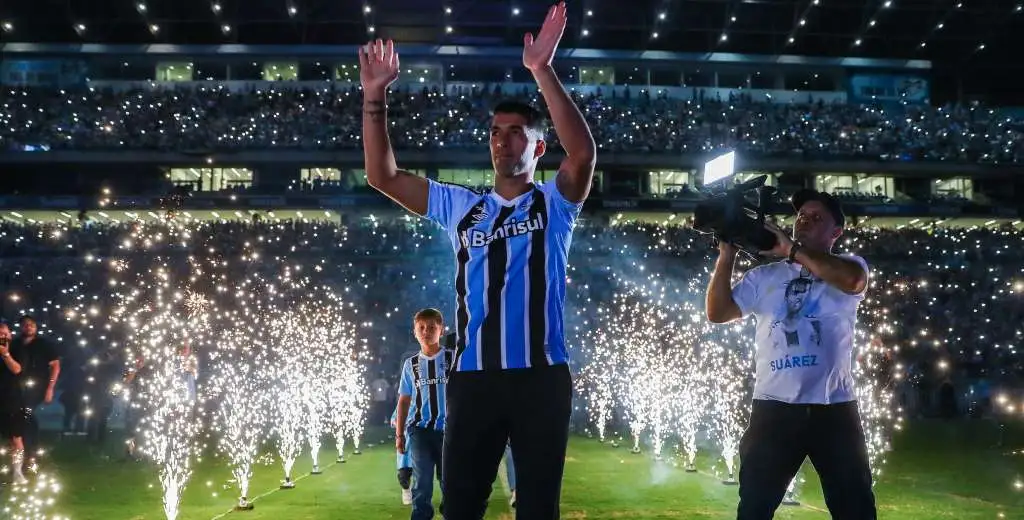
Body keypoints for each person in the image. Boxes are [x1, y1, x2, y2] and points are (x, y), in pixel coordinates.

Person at [359, 3, 595, 518]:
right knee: (461, 505)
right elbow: (383, 176)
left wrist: (542, 69)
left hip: (541, 376)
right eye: (495, 131)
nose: (502, 140)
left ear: (538, 145)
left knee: (537, 507)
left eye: (516, 132)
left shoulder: (553, 203)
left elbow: (582, 156)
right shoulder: (462, 207)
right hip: (474, 377)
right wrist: (374, 95)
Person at [705, 188, 877, 519]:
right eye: (801, 216)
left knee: (855, 509)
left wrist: (792, 250)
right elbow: (718, 312)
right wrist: (726, 255)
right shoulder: (764, 276)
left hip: (833, 408)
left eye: (817, 218)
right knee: (754, 507)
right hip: (774, 409)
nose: (805, 222)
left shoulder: (851, 266)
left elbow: (853, 281)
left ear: (836, 232)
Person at [395, 309, 453, 520]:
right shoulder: (411, 365)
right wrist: (399, 435)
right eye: (421, 327)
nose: (426, 331)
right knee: (422, 483)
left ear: (441, 330)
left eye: (431, 327)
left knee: (450, 483)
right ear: (415, 332)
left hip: (450, 432)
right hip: (420, 431)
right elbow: (404, 400)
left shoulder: (452, 358)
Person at [12, 315, 60, 461]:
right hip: (16, 387)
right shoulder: (15, 344)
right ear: (21, 327)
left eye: (32, 324)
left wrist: (50, 388)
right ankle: (26, 450)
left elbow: (55, 366)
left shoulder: (44, 344)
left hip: (37, 387)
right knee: (22, 416)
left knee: (26, 414)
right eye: (26, 324)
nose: (29, 327)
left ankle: (31, 451)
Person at [0, 322, 29, 484]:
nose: (2, 336)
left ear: (10, 335)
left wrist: (5, 354)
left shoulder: (18, 349)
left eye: (4, 333)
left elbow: (17, 369)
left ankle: (17, 472)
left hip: (12, 400)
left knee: (15, 438)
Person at [391, 405, 414, 506]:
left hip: (420, 444)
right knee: (403, 475)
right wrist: (399, 425)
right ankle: (406, 490)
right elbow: (393, 420)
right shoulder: (403, 405)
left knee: (422, 474)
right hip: (405, 444)